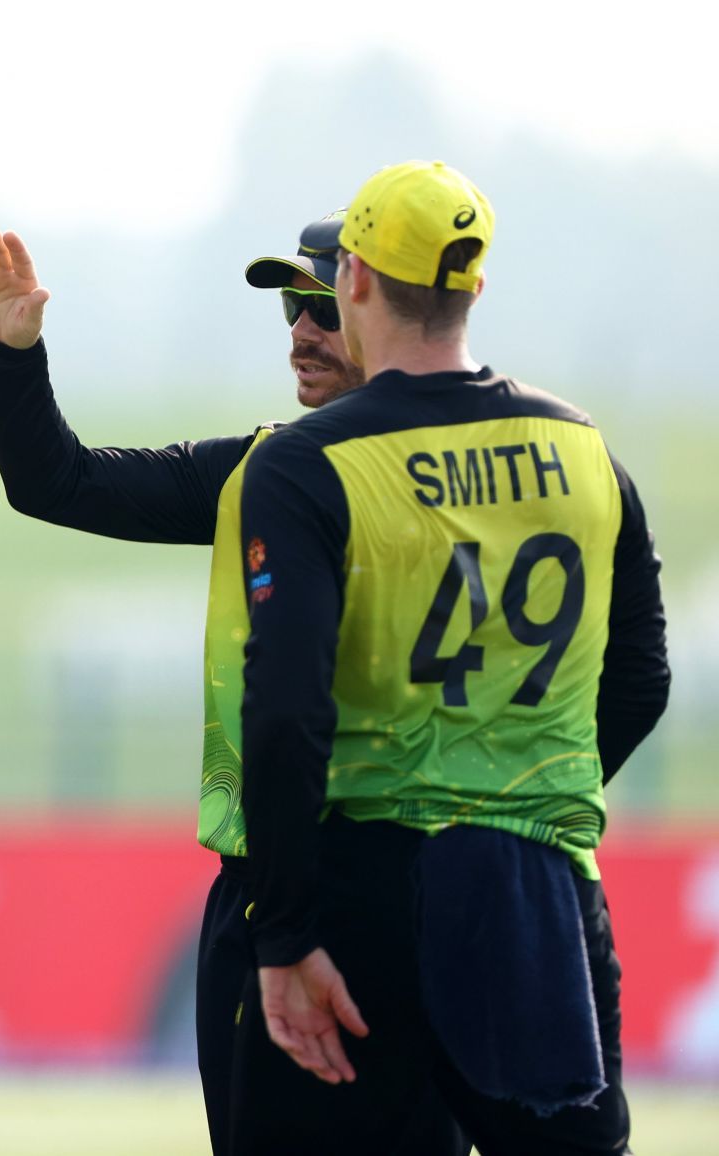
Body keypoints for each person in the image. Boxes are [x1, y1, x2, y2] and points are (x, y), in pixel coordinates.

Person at [0, 215, 466, 1154]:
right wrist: (12, 352)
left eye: (321, 308)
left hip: (404, 883)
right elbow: (56, 482)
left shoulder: (475, 476)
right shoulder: (263, 468)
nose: (300, 334)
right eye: (289, 308)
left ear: (378, 305)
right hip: (260, 886)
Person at [231, 161, 670, 1155]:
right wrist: (523, 791)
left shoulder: (307, 461)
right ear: (472, 287)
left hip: (363, 877)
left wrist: (285, 929)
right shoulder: (587, 450)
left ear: (352, 282)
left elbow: (287, 708)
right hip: (532, 890)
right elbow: (642, 676)